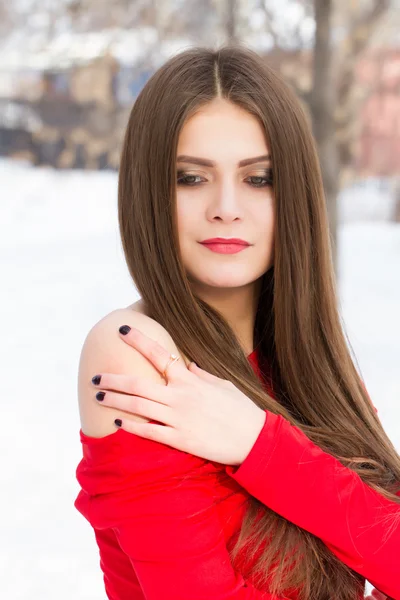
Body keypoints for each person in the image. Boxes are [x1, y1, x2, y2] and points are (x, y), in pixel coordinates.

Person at [74, 45, 400, 600]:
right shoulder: (140, 355)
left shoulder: (304, 354)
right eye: (190, 178)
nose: (227, 207)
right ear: (149, 193)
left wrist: (256, 441)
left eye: (260, 178)